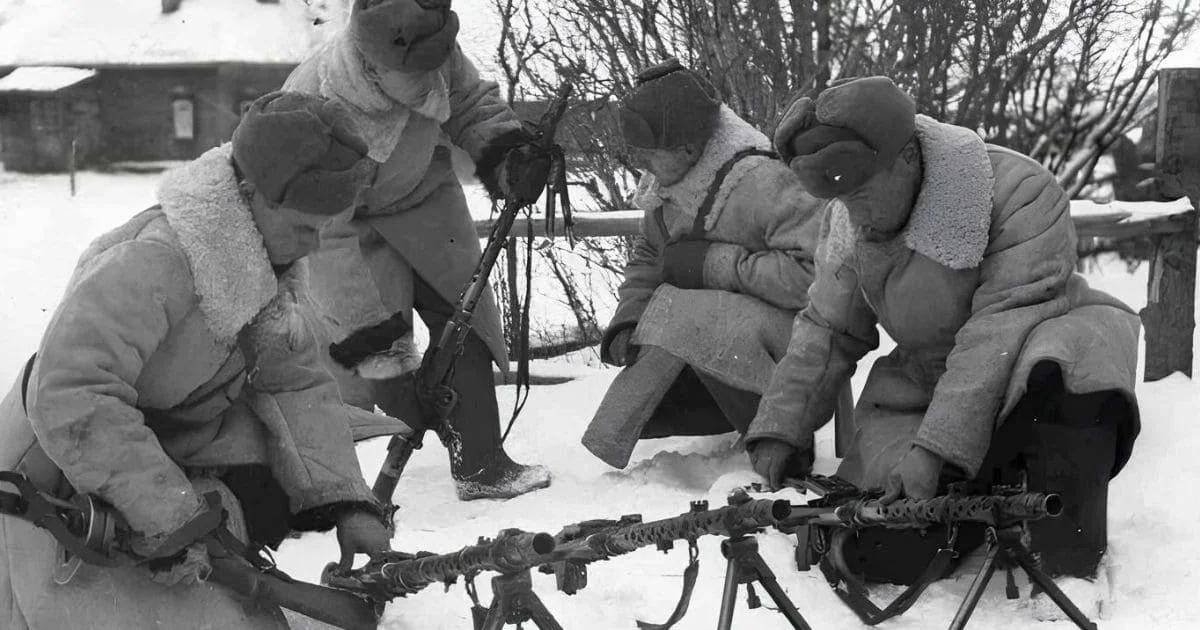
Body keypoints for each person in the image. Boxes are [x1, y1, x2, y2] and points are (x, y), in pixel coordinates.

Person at [0, 91, 397, 629]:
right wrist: (169, 518)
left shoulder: (261, 260)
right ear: (250, 196)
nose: (314, 247)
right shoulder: (154, 260)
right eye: (305, 228)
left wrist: (349, 504)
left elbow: (294, 382)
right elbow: (72, 392)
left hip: (145, 459)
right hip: (53, 478)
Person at [746, 76, 1141, 579]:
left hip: (1034, 368)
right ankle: (978, 505)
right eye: (841, 200)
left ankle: (1068, 561)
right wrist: (781, 427)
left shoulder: (1019, 190)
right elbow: (827, 328)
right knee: (883, 546)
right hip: (931, 389)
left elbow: (1000, 330)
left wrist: (936, 449)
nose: (852, 213)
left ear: (908, 158)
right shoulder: (848, 215)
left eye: (861, 194)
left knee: (1068, 369)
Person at [280, 0, 551, 501]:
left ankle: (481, 464)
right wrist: (377, 352)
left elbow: (470, 103)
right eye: (417, 74)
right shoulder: (315, 100)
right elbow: (321, 236)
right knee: (383, 358)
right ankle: (363, 468)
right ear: (377, 62)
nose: (433, 82)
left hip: (425, 194)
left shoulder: (434, 45)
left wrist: (508, 157)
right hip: (342, 227)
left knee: (463, 316)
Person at [582, 59, 825, 469]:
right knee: (672, 326)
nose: (641, 164)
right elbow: (650, 254)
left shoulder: (766, 182)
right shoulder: (668, 182)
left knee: (683, 312)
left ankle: (780, 439)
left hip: (797, 355)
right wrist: (630, 317)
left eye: (649, 154)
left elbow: (815, 278)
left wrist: (715, 265)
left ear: (689, 149)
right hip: (725, 345)